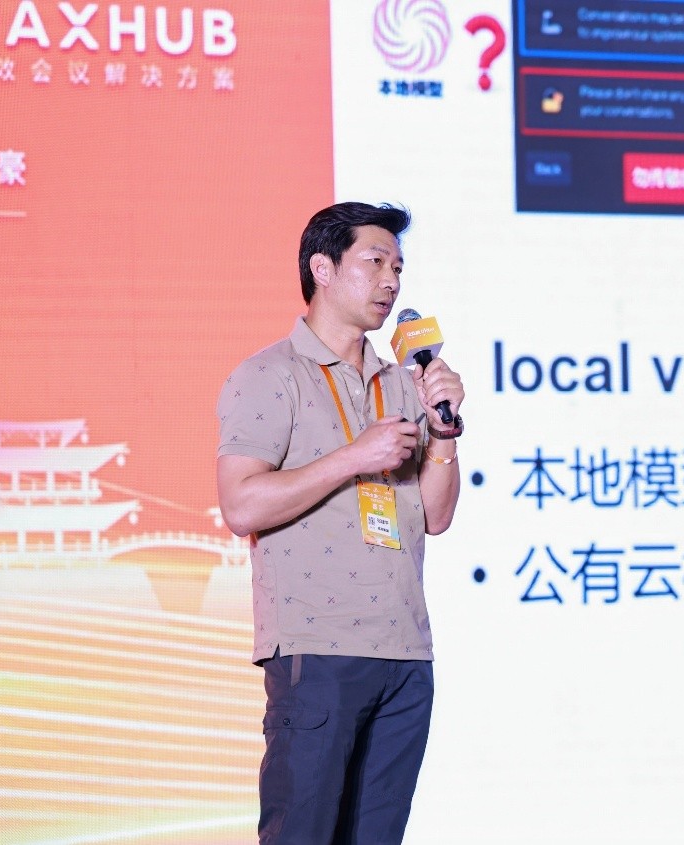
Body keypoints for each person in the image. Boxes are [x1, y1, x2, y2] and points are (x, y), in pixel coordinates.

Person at [215, 201, 465, 844]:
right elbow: (241, 505)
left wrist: (443, 434)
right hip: (317, 649)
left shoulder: (404, 383)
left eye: (398, 268)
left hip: (405, 652)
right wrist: (354, 457)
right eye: (375, 262)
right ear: (322, 269)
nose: (390, 281)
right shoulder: (269, 375)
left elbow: (436, 516)